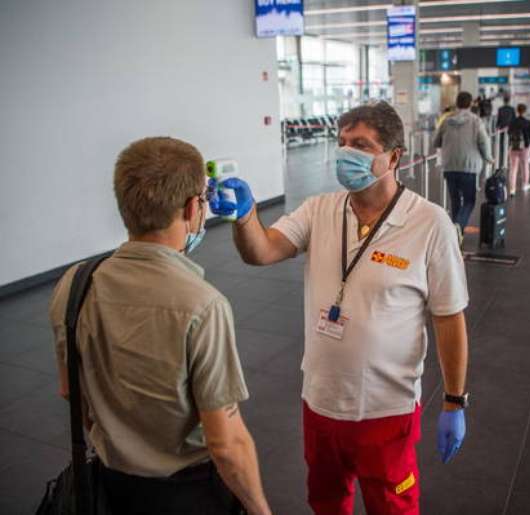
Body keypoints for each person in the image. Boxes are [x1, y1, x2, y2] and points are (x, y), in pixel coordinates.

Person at [210, 101, 470, 515]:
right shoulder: (321, 210)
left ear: (394, 156)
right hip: (321, 402)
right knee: (327, 502)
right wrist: (245, 218)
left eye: (361, 145)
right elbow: (261, 252)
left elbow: (449, 316)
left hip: (387, 410)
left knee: (393, 507)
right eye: (343, 142)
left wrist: (455, 400)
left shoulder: (429, 223)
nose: (346, 153)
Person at [48, 137, 272, 515]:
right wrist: (261, 510)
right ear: (191, 209)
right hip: (188, 494)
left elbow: (73, 393)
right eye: (203, 200)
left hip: (111, 488)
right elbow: (227, 445)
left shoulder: (74, 283)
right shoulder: (202, 305)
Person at [433, 91, 494, 243]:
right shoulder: (475, 121)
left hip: (449, 166)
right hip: (469, 167)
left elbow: (436, 142)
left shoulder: (447, 121)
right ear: (470, 103)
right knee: (469, 201)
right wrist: (488, 158)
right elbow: (483, 142)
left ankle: (456, 234)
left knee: (455, 200)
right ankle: (458, 227)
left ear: (457, 102)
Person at [507, 103, 530, 195]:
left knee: (513, 168)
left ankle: (512, 189)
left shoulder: (512, 122)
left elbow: (509, 133)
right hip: (525, 147)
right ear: (525, 111)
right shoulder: (528, 123)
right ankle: (525, 185)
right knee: (525, 166)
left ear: (517, 111)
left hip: (514, 147)